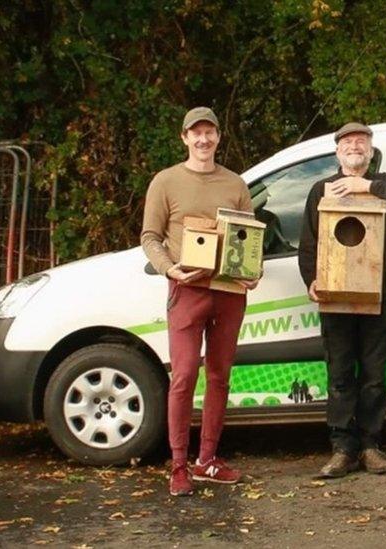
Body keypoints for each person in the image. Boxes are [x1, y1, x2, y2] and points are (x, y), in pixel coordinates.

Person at [140, 106, 259, 496]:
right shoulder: (166, 181)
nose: (203, 139)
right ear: (185, 138)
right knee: (185, 375)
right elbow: (150, 237)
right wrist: (169, 269)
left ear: (218, 138)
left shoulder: (235, 183)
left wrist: (252, 272)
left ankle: (207, 459)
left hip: (229, 292)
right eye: (196, 133)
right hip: (187, 289)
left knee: (220, 376)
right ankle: (178, 465)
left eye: (210, 133)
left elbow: (248, 237)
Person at [298, 122, 386, 478]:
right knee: (339, 374)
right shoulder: (320, 189)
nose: (354, 146)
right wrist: (312, 280)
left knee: (373, 374)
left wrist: (366, 186)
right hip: (334, 296)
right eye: (347, 142)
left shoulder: (385, 185)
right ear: (337, 152)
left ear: (369, 151)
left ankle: (370, 446)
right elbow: (309, 243)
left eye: (361, 142)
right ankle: (342, 449)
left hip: (376, 295)